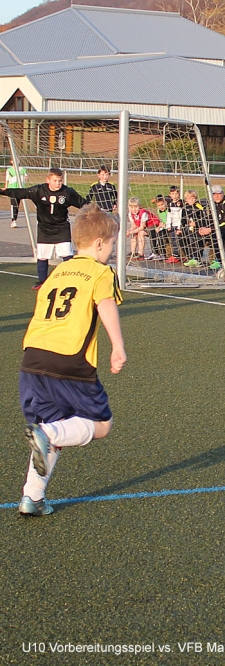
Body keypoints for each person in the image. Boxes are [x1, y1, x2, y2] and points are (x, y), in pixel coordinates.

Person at [17, 204, 125, 517]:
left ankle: (32, 497)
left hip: (32, 358)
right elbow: (105, 304)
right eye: (112, 243)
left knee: (55, 427)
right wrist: (118, 346)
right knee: (101, 425)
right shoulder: (101, 272)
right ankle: (46, 436)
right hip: (69, 360)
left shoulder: (57, 272)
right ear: (100, 243)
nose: (112, 250)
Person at [0, 168, 88, 289]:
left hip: (61, 228)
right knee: (42, 256)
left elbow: (83, 204)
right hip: (44, 229)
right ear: (48, 180)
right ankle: (42, 282)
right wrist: (3, 191)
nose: (58, 183)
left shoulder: (67, 192)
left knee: (67, 255)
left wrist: (97, 210)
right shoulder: (39, 190)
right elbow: (21, 192)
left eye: (60, 181)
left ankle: (70, 281)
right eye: (55, 180)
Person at [182, 189, 213, 268]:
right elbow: (183, 219)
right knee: (184, 238)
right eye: (189, 198)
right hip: (189, 228)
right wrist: (184, 225)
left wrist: (196, 223)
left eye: (193, 198)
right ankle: (190, 257)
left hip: (199, 228)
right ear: (186, 199)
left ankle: (197, 258)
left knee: (197, 239)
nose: (191, 200)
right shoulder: (185, 208)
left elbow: (204, 219)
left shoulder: (199, 207)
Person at [164, 185, 185, 263]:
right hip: (172, 225)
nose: (174, 195)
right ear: (170, 195)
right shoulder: (170, 204)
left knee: (179, 241)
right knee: (173, 241)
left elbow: (181, 215)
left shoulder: (181, 203)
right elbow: (169, 215)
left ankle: (180, 255)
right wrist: (168, 225)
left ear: (179, 194)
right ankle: (175, 255)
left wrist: (180, 226)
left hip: (178, 225)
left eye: (176, 193)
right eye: (173, 194)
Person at [6, 158, 28, 228]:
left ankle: (15, 219)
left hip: (20, 189)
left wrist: (25, 177)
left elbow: (27, 177)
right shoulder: (9, 170)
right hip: (12, 189)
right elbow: (7, 180)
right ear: (11, 161)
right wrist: (6, 188)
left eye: (17, 160)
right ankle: (13, 220)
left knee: (17, 204)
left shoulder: (23, 169)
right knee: (14, 204)